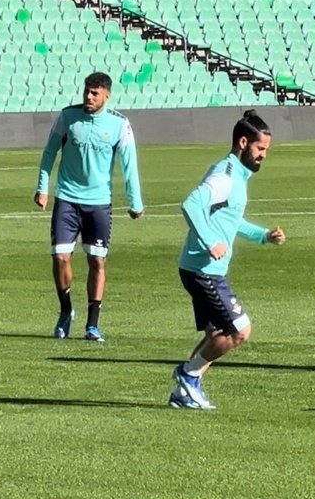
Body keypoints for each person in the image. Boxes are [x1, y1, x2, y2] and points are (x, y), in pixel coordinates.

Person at [169, 110, 285, 410]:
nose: (263, 156)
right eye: (260, 149)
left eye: (266, 151)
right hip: (204, 269)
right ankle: (188, 375)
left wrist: (263, 236)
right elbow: (191, 204)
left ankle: (184, 394)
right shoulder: (225, 175)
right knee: (238, 331)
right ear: (243, 142)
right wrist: (211, 241)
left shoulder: (236, 176)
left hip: (198, 267)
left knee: (217, 335)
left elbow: (231, 219)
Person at [34, 72, 144, 342]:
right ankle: (66, 310)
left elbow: (129, 165)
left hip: (98, 204)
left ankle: (92, 325)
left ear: (107, 95)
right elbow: (50, 152)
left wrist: (135, 202)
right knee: (60, 257)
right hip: (67, 199)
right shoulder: (67, 117)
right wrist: (42, 187)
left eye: (95, 93)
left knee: (97, 261)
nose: (88, 96)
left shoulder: (119, 124)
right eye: (86, 91)